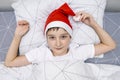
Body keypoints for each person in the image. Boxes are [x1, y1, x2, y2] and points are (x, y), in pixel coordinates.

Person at [4, 3, 116, 68]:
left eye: (63, 37)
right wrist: (17, 36)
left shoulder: (77, 52)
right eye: (52, 37)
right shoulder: (41, 53)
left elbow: (110, 45)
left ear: (70, 37)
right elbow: (9, 62)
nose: (58, 43)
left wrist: (93, 24)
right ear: (46, 38)